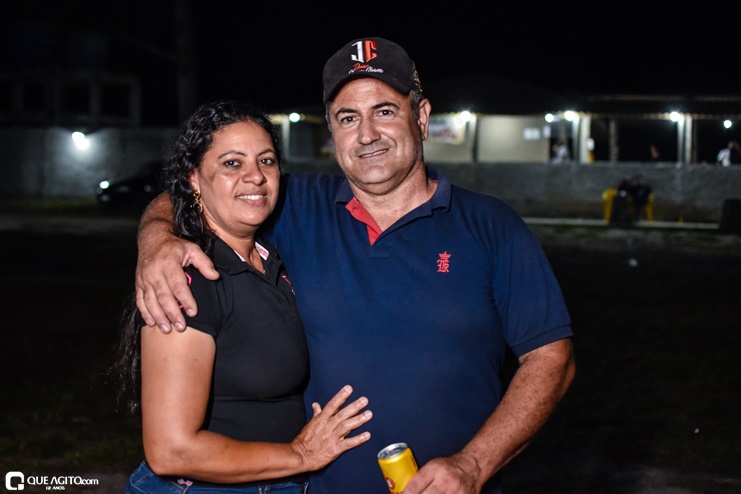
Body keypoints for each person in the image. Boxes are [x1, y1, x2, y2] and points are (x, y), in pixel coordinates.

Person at [134, 38, 576, 494]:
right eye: (348, 118)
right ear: (332, 131)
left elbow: (549, 359)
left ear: (421, 117)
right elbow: (199, 191)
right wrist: (158, 238)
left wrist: (474, 465)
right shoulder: (292, 205)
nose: (367, 134)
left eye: (384, 111)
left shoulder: (491, 225)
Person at [112, 100, 373, 494]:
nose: (255, 176)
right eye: (232, 163)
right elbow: (172, 451)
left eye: (266, 161)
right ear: (194, 179)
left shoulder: (271, 260)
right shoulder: (189, 280)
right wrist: (301, 455)